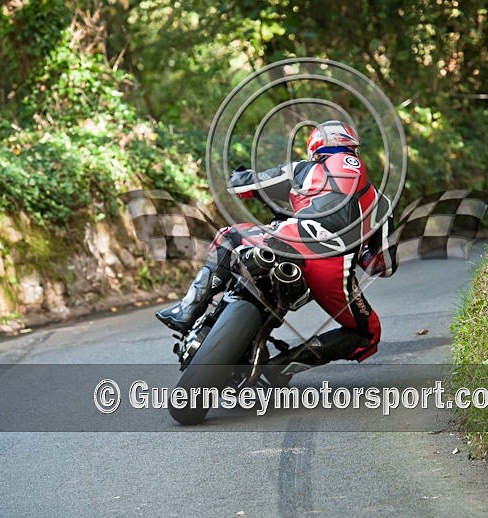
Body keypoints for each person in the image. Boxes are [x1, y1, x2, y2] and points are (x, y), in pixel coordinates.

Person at [155, 120, 397, 370]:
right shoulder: (382, 204)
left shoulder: (303, 170)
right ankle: (281, 367)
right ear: (354, 148)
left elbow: (243, 185)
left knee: (230, 235)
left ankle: (187, 310)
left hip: (288, 239)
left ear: (316, 149)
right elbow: (384, 266)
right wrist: (360, 251)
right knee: (367, 334)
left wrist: (237, 175)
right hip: (334, 272)